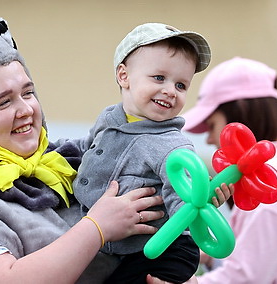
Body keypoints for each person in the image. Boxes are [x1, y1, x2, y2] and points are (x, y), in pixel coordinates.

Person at [0, 18, 166, 284]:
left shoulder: (71, 166)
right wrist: (96, 228)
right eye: (3, 102)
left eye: (27, 93)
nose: (26, 109)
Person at [71, 23, 233, 284]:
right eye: (159, 78)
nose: (170, 90)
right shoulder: (109, 117)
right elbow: (86, 148)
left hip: (162, 250)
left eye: (181, 85)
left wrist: (200, 204)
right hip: (111, 246)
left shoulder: (172, 146)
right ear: (124, 76)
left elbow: (184, 197)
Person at [182, 56, 277, 283]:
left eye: (213, 125)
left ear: (241, 113)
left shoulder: (269, 178)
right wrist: (211, 258)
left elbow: (247, 278)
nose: (210, 139)